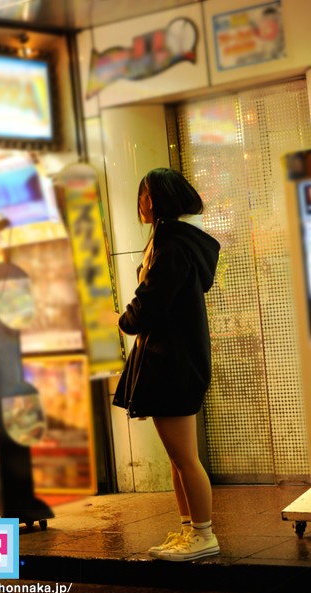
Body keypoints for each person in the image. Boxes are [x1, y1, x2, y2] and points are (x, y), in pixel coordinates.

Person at [113, 167, 220, 561]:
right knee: (178, 459)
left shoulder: (172, 247)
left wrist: (123, 319)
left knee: (185, 458)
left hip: (173, 363)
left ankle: (203, 534)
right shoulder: (172, 242)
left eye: (146, 194)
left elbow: (149, 304)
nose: (141, 202)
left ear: (158, 199)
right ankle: (190, 529)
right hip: (174, 361)